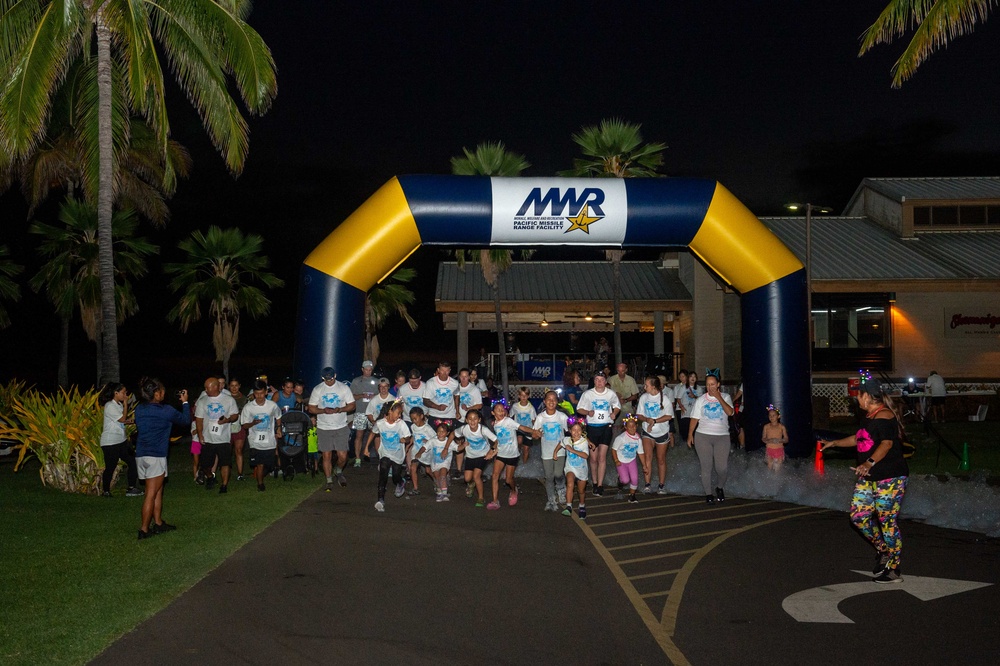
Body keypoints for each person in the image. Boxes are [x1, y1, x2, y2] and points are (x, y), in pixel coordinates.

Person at [820, 376, 909, 583]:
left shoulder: (885, 416)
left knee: (887, 521)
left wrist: (868, 463)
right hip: (868, 478)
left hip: (890, 477)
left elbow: (886, 444)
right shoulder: (870, 415)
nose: (856, 398)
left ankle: (894, 568)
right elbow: (858, 438)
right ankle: (883, 549)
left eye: (858, 394)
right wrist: (834, 443)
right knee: (858, 517)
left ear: (867, 396)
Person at [133, 378, 191, 539]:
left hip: (142, 455)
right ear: (156, 393)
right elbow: (185, 421)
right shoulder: (166, 410)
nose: (164, 393)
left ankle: (158, 523)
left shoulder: (139, 409)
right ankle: (144, 529)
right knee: (151, 494)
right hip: (155, 456)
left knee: (158, 490)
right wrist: (185, 403)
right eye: (162, 391)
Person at [687, 370, 734, 504]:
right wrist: (690, 435)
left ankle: (719, 487)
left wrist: (718, 397)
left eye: (713, 384)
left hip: (722, 436)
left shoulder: (725, 397)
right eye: (708, 385)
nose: (710, 387)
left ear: (718, 384)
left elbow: (730, 412)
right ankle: (708, 494)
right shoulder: (701, 400)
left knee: (721, 468)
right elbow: (694, 419)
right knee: (706, 466)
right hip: (703, 436)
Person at [308, 366, 356, 491]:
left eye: (330, 379)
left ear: (335, 376)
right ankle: (329, 479)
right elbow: (311, 408)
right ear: (322, 378)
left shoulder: (343, 388)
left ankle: (338, 470)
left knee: (343, 455)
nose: (328, 381)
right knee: (326, 455)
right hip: (324, 427)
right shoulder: (318, 389)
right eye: (326, 379)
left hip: (340, 426)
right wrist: (323, 410)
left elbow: (352, 405)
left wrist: (340, 409)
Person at [576, 371, 621, 496]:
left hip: (606, 427)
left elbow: (617, 406)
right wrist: (588, 412)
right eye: (597, 380)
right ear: (594, 381)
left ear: (606, 381)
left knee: (602, 457)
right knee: (594, 458)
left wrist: (614, 413)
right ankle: (594, 482)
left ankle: (600, 485)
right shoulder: (588, 394)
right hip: (592, 428)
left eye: (602, 380)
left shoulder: (610, 393)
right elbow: (579, 408)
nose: (599, 382)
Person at [195, 376, 239, 494]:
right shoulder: (203, 401)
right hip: (208, 438)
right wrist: (200, 434)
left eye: (207, 388)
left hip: (223, 438)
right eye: (205, 388)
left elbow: (235, 415)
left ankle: (224, 485)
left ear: (215, 387)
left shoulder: (228, 399)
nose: (205, 390)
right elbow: (199, 419)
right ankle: (210, 477)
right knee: (204, 465)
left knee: (225, 463)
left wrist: (227, 420)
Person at [98, 382, 142, 498]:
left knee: (132, 461)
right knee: (110, 467)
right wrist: (126, 403)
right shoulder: (110, 405)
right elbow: (122, 419)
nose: (125, 394)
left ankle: (131, 488)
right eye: (123, 392)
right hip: (110, 442)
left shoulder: (117, 405)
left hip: (121, 441)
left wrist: (134, 421)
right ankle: (106, 491)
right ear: (115, 393)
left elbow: (121, 420)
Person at [486, 401, 530, 510]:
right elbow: (499, 441)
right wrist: (494, 451)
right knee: (495, 476)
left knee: (508, 480)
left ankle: (513, 490)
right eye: (498, 410)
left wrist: (533, 431)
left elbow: (522, 427)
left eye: (503, 410)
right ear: (493, 412)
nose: (501, 412)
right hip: (501, 454)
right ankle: (495, 501)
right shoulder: (495, 424)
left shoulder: (508, 421)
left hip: (512, 455)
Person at [241, 379, 283, 491]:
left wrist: (278, 429)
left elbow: (278, 416)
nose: (259, 396)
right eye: (256, 393)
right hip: (255, 441)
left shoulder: (272, 405)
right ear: (253, 394)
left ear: (265, 392)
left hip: (269, 440)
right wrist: (253, 423)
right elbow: (244, 425)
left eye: (261, 393)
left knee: (269, 465)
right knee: (259, 464)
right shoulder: (248, 407)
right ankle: (260, 484)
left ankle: (263, 474)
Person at [531, 390, 570, 511]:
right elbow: (535, 434)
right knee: (549, 476)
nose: (551, 402)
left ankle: (561, 488)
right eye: (549, 399)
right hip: (546, 452)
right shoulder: (540, 417)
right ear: (544, 401)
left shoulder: (562, 416)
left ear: (557, 402)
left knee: (558, 474)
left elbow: (569, 433)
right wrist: (536, 434)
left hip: (560, 451)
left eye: (554, 399)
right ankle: (551, 499)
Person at [372, 400, 412, 512]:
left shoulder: (401, 424)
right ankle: (380, 500)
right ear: (390, 411)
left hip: (398, 454)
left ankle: (401, 481)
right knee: (383, 472)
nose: (400, 416)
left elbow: (408, 436)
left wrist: (405, 439)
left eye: (401, 414)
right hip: (385, 452)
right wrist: (366, 448)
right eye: (398, 413)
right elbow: (373, 432)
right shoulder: (380, 423)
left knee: (395, 476)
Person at [452, 408, 497, 507]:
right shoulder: (464, 429)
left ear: (479, 420)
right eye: (470, 419)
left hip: (483, 455)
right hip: (470, 456)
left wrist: (492, 450)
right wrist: (447, 447)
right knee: (467, 478)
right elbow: (453, 434)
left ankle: (481, 498)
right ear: (467, 420)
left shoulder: (483, 429)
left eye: (475, 419)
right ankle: (471, 484)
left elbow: (496, 440)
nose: (473, 421)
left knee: (476, 476)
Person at [637, 376, 672, 494]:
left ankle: (661, 485)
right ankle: (647, 484)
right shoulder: (643, 397)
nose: (644, 387)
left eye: (646, 385)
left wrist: (655, 421)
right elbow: (639, 415)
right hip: (647, 431)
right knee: (648, 457)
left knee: (661, 459)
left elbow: (669, 416)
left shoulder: (665, 399)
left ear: (653, 386)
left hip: (661, 432)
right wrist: (647, 419)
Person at [422, 361, 460, 472]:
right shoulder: (431, 383)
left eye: (446, 371)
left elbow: (456, 396)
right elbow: (425, 400)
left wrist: (457, 411)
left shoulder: (454, 383)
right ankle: (431, 467)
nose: (443, 373)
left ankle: (446, 467)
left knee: (448, 442)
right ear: (438, 370)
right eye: (441, 370)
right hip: (435, 415)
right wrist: (437, 407)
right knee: (433, 441)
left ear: (449, 371)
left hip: (449, 416)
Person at [557, 421, 591, 518]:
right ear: (570, 431)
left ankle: (582, 506)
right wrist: (555, 453)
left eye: (579, 430)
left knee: (581, 491)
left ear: (582, 431)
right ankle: (568, 507)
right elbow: (560, 444)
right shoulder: (567, 439)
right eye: (574, 430)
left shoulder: (584, 442)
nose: (576, 432)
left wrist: (572, 450)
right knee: (570, 484)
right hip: (570, 468)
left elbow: (585, 455)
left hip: (581, 470)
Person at [361, 377, 395, 464]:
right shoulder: (374, 400)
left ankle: (390, 464)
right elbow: (369, 413)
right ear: (378, 388)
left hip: (390, 427)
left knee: (389, 448)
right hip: (378, 427)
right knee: (378, 448)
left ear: (388, 387)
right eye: (381, 386)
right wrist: (373, 422)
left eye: (385, 386)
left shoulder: (393, 399)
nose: (383, 389)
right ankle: (382, 463)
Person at [350, 360, 379, 461]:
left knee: (375, 434)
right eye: (366, 370)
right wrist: (362, 395)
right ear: (362, 369)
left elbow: (380, 395)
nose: (368, 372)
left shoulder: (376, 381)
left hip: (373, 413)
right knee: (359, 435)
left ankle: (377, 456)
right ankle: (358, 458)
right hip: (360, 411)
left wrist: (373, 396)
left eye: (370, 370)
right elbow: (351, 396)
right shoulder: (356, 381)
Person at [612, 415, 644, 503]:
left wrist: (644, 465)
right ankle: (620, 480)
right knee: (625, 480)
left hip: (631, 460)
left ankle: (632, 496)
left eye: (633, 426)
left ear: (636, 426)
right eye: (629, 427)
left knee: (634, 478)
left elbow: (640, 453)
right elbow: (613, 450)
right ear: (625, 427)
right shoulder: (621, 438)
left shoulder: (638, 439)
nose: (632, 428)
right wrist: (616, 460)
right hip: (621, 461)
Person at [407, 407, 436, 495]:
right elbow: (413, 436)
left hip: (426, 453)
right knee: (413, 467)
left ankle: (437, 482)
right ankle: (415, 488)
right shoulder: (413, 427)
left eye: (415, 418)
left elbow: (435, 439)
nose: (414, 421)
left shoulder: (428, 429)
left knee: (428, 470)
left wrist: (428, 442)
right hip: (416, 451)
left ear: (422, 416)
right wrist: (409, 445)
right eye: (412, 419)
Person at [228, 378, 250, 480]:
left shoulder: (244, 399)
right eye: (232, 385)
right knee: (226, 451)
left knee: (239, 450)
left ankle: (240, 474)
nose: (234, 388)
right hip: (226, 427)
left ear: (239, 386)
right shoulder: (225, 398)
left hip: (239, 427)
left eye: (236, 385)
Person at [428, 422, 454, 501]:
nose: (440, 433)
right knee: (437, 477)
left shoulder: (450, 442)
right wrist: (420, 452)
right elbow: (425, 447)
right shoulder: (433, 440)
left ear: (447, 433)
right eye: (439, 431)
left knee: (443, 475)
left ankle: (444, 493)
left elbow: (457, 448)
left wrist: (463, 445)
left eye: (443, 431)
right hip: (435, 463)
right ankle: (439, 493)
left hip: (444, 462)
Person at [510, 387, 537, 463]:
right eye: (522, 395)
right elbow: (510, 416)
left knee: (526, 449)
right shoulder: (515, 406)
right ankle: (518, 451)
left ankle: (524, 464)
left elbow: (533, 420)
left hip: (528, 429)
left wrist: (535, 431)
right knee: (519, 440)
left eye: (525, 395)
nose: (524, 397)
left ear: (528, 396)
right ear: (519, 396)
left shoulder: (531, 408)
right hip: (518, 429)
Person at [609, 362, 640, 428]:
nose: (620, 373)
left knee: (631, 426)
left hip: (627, 408)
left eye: (622, 371)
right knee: (616, 428)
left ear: (626, 370)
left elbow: (635, 395)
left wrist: (625, 400)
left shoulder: (631, 380)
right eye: (618, 371)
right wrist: (616, 395)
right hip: (615, 409)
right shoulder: (611, 380)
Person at [677, 371, 702, 443]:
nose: (693, 378)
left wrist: (694, 396)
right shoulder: (683, 387)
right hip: (686, 412)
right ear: (688, 378)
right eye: (691, 376)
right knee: (685, 430)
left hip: (695, 413)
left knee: (694, 430)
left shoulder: (699, 388)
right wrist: (681, 407)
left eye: (694, 377)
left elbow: (701, 400)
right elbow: (678, 398)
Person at [762, 405, 788, 470]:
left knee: (778, 468)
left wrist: (780, 440)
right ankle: (769, 478)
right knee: (769, 465)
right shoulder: (766, 427)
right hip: (769, 449)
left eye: (774, 415)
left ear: (778, 416)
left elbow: (786, 439)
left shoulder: (782, 427)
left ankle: (777, 478)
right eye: (770, 415)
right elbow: (763, 438)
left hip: (779, 449)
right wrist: (769, 440)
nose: (772, 417)